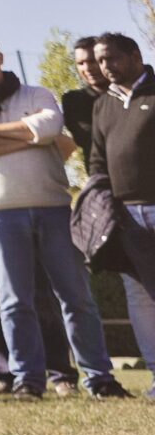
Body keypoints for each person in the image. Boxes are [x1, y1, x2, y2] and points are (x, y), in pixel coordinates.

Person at [0, 35, 125, 397]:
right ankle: (28, 379)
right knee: (14, 301)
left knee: (77, 297)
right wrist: (28, 134)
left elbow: (51, 127)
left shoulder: (36, 93)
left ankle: (99, 377)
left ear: (0, 56)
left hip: (53, 207)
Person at [89, 31, 155, 386]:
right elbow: (97, 162)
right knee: (141, 296)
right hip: (127, 216)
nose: (105, 66)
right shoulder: (103, 105)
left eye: (112, 57)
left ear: (135, 56)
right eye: (101, 60)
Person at [65, 36, 111, 152]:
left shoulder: (129, 93)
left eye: (92, 61)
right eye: (80, 63)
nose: (87, 68)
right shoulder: (74, 101)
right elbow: (86, 138)